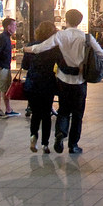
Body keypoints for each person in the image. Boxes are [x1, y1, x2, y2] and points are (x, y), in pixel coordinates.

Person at [24, 9, 103, 153]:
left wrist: (27, 49)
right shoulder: (87, 37)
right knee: (78, 114)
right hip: (80, 80)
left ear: (66, 19)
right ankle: (73, 145)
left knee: (63, 110)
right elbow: (102, 55)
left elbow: (42, 47)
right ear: (80, 21)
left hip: (63, 80)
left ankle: (60, 134)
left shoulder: (60, 35)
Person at [22, 21, 61, 153]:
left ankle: (33, 136)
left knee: (35, 113)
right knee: (46, 114)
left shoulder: (31, 46)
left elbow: (25, 66)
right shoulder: (54, 47)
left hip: (32, 82)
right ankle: (45, 144)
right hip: (47, 82)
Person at [0, 17, 19, 117]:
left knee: (6, 88)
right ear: (8, 27)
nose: (16, 27)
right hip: (1, 68)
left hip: (5, 67)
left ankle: (8, 109)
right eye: (14, 25)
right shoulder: (2, 38)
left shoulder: (6, 38)